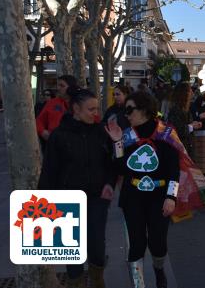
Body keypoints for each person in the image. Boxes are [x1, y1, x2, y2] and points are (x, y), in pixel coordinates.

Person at [39, 87, 116, 288]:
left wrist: (109, 183)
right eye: (90, 109)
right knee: (71, 249)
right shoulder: (58, 136)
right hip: (67, 200)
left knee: (97, 245)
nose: (95, 113)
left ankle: (97, 279)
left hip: (97, 198)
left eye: (96, 109)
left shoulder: (101, 132)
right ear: (76, 109)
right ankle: (76, 284)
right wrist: (43, 204)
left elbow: (113, 164)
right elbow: (49, 171)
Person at [106, 91, 179, 288]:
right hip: (133, 197)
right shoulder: (127, 135)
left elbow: (174, 170)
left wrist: (171, 197)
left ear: (145, 110)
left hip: (159, 197)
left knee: (158, 243)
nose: (126, 114)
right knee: (137, 244)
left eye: (130, 110)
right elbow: (120, 167)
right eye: (125, 110)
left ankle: (159, 270)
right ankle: (139, 284)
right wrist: (117, 142)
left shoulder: (166, 133)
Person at [36, 74, 78, 141]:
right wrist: (42, 132)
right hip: (54, 142)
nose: (58, 88)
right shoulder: (51, 103)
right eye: (58, 85)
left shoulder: (81, 103)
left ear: (71, 88)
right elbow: (39, 121)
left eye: (62, 86)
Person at [167, 82, 202, 157]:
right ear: (184, 93)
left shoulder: (186, 109)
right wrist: (191, 126)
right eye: (190, 91)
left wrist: (193, 124)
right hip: (179, 151)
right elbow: (176, 130)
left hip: (186, 149)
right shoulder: (175, 110)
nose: (192, 93)